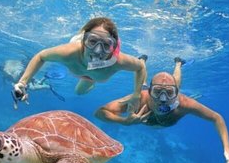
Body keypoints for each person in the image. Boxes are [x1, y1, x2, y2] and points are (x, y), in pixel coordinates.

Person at [95, 56, 229, 163]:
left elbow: (217, 118)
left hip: (175, 94)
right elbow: (100, 112)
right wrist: (124, 122)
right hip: (146, 91)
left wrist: (227, 149)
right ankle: (142, 62)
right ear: (150, 92)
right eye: (157, 92)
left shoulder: (185, 103)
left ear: (176, 94)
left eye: (169, 93)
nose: (163, 99)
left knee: (175, 83)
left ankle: (178, 64)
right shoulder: (139, 99)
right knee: (142, 84)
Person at [13, 17, 146, 109]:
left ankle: (94, 72)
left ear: (113, 47)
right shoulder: (69, 53)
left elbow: (140, 67)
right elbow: (41, 56)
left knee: (79, 92)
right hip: (87, 72)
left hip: (89, 74)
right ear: (83, 41)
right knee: (79, 93)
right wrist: (22, 83)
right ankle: (92, 77)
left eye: (106, 45)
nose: (98, 51)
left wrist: (136, 95)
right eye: (92, 41)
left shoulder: (118, 61)